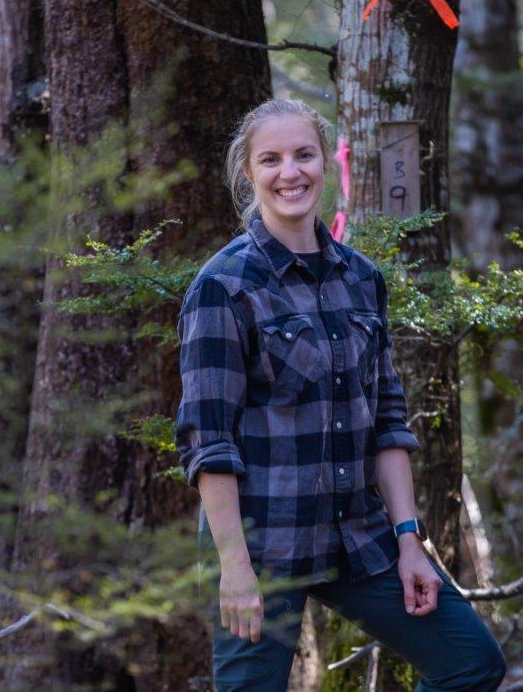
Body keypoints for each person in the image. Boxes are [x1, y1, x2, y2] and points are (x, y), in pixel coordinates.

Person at [175, 98, 506, 691]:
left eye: (304, 155)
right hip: (262, 546)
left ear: (327, 162)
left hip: (359, 537)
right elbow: (208, 440)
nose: (290, 172)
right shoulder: (222, 286)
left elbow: (387, 418)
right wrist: (233, 568)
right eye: (271, 159)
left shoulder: (360, 277)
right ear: (248, 173)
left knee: (470, 661)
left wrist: (409, 542)